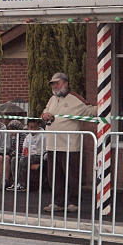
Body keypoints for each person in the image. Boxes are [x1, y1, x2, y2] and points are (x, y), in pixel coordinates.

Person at [41, 72, 97, 213]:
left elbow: (91, 110)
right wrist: (44, 115)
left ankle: (74, 202)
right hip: (52, 144)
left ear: (65, 83)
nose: (54, 86)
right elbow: (45, 112)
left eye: (57, 83)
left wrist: (108, 105)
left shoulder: (75, 99)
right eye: (52, 84)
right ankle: (58, 202)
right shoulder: (52, 99)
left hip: (70, 145)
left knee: (72, 175)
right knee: (54, 176)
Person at [7, 119, 44, 192]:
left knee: (23, 160)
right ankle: (16, 182)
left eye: (34, 127)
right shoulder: (28, 136)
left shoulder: (43, 135)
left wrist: (27, 156)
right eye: (30, 127)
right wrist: (25, 154)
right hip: (29, 155)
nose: (32, 129)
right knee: (14, 159)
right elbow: (25, 148)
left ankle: (23, 184)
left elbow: (43, 151)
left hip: (39, 156)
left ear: (38, 126)